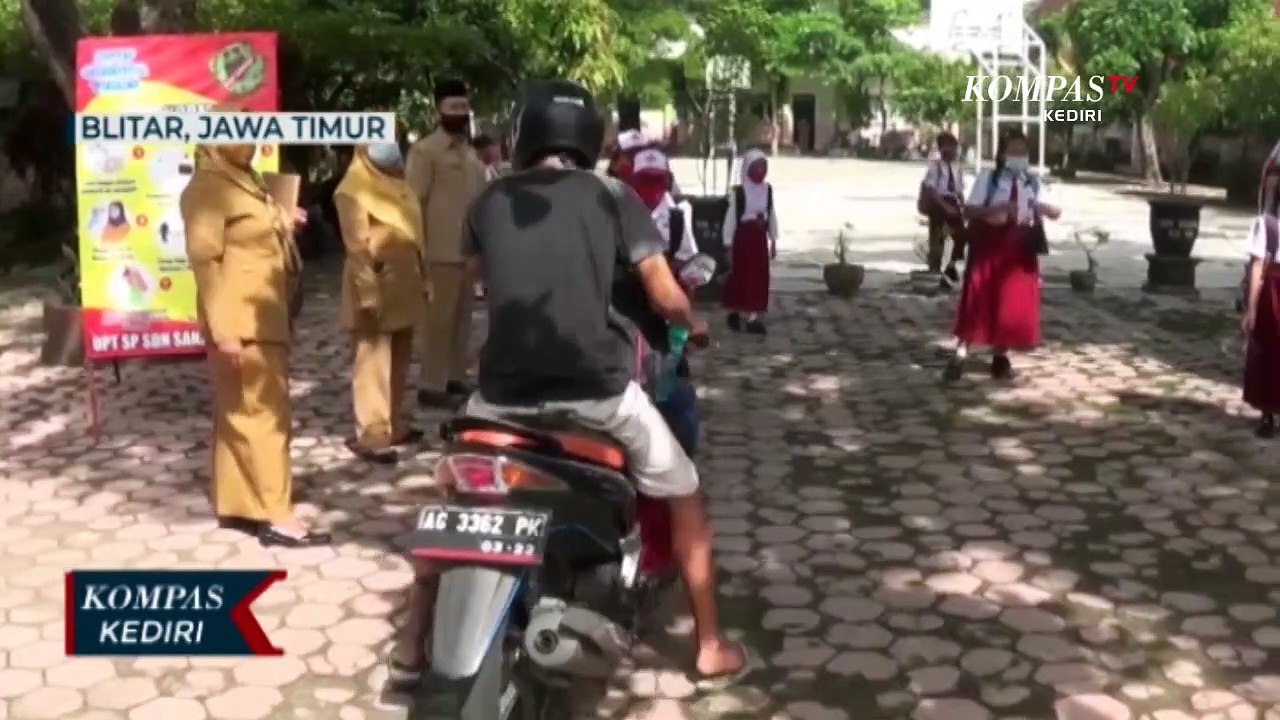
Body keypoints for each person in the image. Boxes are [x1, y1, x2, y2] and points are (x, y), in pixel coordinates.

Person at [390, 78, 750, 689]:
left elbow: (481, 276)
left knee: (456, 498)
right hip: (598, 394)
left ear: (524, 135)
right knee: (684, 492)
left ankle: (411, 644)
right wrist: (694, 320)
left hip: (499, 397)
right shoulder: (612, 196)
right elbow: (663, 294)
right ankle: (710, 646)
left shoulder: (488, 200)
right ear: (590, 137)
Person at [180, 126, 328, 547]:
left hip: (264, 315)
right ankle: (277, 515)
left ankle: (238, 504)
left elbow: (253, 233)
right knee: (264, 416)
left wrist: (284, 222)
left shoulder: (247, 179)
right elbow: (206, 266)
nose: (248, 141)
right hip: (241, 321)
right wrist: (224, 331)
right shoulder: (206, 188)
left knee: (239, 413)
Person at [334, 143, 428, 464]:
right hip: (374, 283)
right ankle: (372, 434)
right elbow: (356, 247)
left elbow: (418, 235)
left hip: (405, 282)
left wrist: (424, 277)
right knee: (372, 360)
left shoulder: (399, 186)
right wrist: (368, 292)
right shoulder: (352, 190)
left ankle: (394, 423)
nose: (389, 150)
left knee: (401, 354)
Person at [943, 129, 1060, 382]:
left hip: (1019, 250)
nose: (1019, 157)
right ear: (1002, 154)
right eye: (1013, 151)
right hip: (989, 246)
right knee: (979, 298)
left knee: (1011, 303)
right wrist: (999, 208)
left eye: (1023, 152)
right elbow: (970, 210)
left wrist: (1044, 209)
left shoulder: (1033, 182)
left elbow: (1054, 211)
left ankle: (1000, 355)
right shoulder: (989, 179)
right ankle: (961, 352)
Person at [405, 78, 487, 408]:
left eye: (464, 108)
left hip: (468, 252)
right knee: (438, 323)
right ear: (438, 110)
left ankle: (456, 377)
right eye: (452, 107)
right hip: (438, 251)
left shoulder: (471, 156)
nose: (460, 114)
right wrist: (417, 251)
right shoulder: (425, 152)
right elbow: (412, 202)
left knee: (463, 321)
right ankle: (431, 384)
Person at [625, 145, 700, 451]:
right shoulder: (620, 215)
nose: (652, 189)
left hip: (668, 315)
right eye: (645, 181)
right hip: (628, 309)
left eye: (658, 181)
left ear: (667, 181)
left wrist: (685, 303)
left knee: (674, 393)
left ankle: (678, 453)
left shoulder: (679, 216)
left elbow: (688, 260)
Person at [721, 149, 778, 335]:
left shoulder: (767, 190)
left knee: (758, 278)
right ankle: (736, 313)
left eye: (764, 166)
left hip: (759, 239)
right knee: (742, 277)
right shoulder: (740, 193)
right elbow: (731, 219)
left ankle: (753, 317)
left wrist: (773, 240)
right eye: (757, 166)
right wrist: (728, 244)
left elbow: (771, 215)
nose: (761, 170)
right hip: (743, 240)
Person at [1242, 165, 1280, 438]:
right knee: (1268, 351)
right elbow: (1257, 266)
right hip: (1274, 292)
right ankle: (1267, 413)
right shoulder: (1267, 225)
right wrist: (1252, 307)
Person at [920, 132, 967, 288]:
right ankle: (935, 274)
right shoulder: (935, 166)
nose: (954, 150)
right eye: (950, 147)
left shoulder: (957, 167)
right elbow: (931, 190)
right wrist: (944, 206)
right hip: (938, 204)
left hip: (953, 202)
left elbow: (959, 190)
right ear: (942, 148)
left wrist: (964, 206)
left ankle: (951, 267)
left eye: (955, 147)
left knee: (961, 236)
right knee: (938, 240)